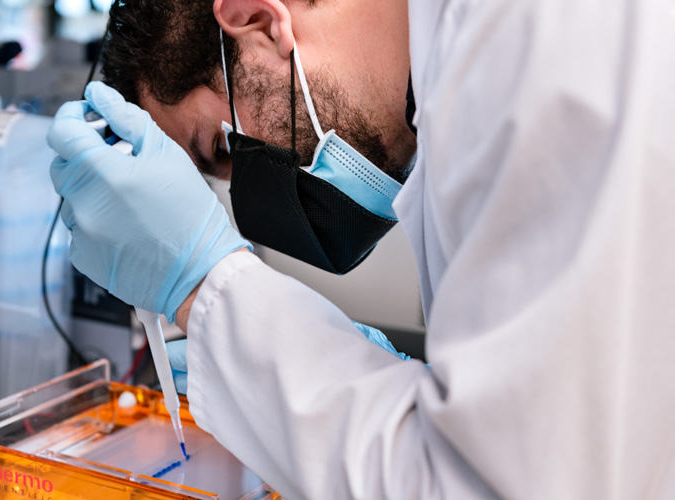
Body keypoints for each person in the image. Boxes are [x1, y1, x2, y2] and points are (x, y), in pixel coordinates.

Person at [47, 0, 675, 498]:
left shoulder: (531, 47)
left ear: (259, 21)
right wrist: (406, 383)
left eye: (220, 149)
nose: (244, 188)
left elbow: (494, 485)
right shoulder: (454, 75)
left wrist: (204, 286)